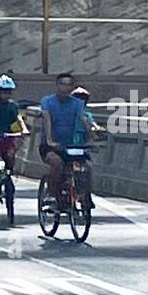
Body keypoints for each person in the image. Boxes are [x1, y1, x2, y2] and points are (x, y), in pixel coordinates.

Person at [39, 72, 98, 209]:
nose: (65, 88)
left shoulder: (77, 104)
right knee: (57, 163)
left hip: (71, 146)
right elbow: (47, 120)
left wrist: (93, 137)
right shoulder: (48, 101)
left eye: (68, 85)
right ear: (57, 85)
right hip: (51, 146)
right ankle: (52, 195)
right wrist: (49, 140)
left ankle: (83, 195)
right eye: (62, 84)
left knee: (86, 167)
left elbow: (83, 119)